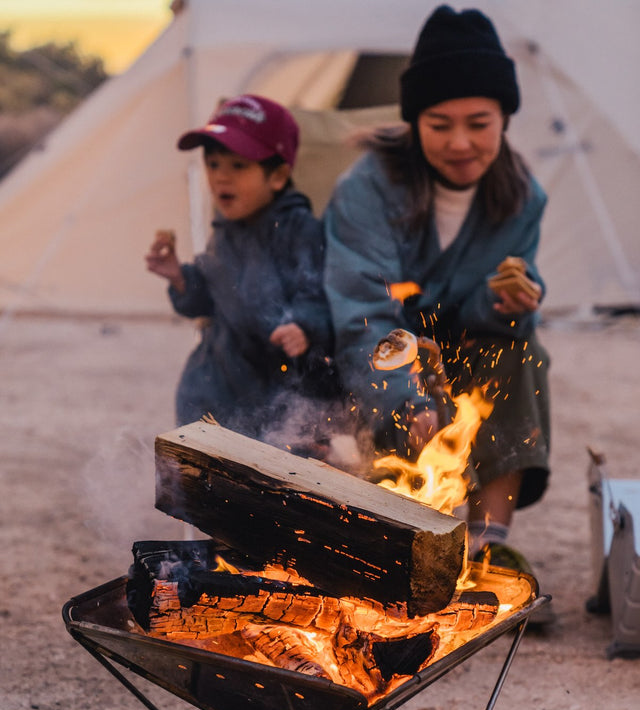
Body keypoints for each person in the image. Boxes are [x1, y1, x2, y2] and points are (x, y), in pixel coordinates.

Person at [323, 5, 551, 572]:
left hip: (464, 348)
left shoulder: (522, 197)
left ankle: (486, 544)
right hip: (379, 351)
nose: (460, 142)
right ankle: (414, 535)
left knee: (521, 354)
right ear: (413, 121)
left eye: (479, 123)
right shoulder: (368, 187)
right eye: (439, 123)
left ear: (504, 119)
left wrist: (506, 303)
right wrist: (406, 395)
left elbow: (485, 313)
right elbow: (362, 309)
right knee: (402, 380)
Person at [145, 94, 338, 452]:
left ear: (278, 175)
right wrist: (181, 278)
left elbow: (321, 291)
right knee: (205, 476)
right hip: (216, 380)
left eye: (238, 166)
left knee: (279, 483)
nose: (221, 178)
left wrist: (305, 326)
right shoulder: (225, 229)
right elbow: (213, 294)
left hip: (278, 382)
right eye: (213, 164)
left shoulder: (300, 229)